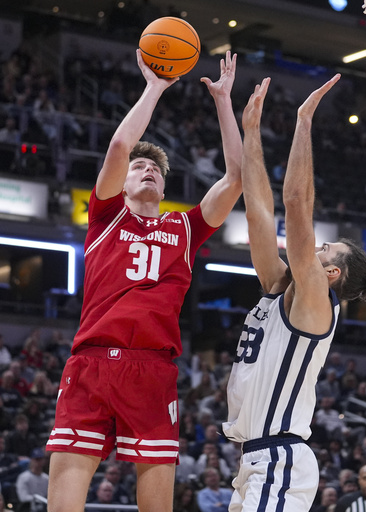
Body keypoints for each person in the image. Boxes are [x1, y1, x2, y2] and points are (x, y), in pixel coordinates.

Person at [46, 49, 242, 512]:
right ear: (122, 183)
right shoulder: (106, 216)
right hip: (92, 363)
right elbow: (118, 148)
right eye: (139, 167)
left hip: (152, 370)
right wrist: (154, 88)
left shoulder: (186, 229)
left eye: (155, 168)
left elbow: (235, 178)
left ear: (165, 187)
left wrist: (223, 102)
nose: (148, 169)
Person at [222, 74, 366, 512]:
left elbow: (296, 200)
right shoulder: (281, 286)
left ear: (330, 272)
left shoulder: (316, 302)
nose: (316, 245)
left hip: (279, 459)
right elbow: (260, 214)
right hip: (255, 460)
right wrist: (251, 132)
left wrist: (304, 120)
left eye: (325, 248)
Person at [15, 447, 49, 512]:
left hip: (44, 507)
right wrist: (37, 499)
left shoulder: (46, 478)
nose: (39, 462)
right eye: (36, 459)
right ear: (31, 460)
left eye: (41, 459)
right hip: (28, 508)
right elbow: (23, 498)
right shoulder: (23, 477)